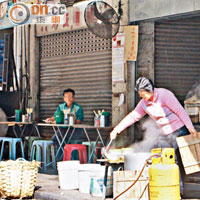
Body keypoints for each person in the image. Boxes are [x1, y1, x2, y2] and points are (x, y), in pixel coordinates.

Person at [110, 77, 198, 196]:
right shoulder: (144, 103)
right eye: (140, 94)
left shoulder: (164, 95)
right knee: (162, 160)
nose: (142, 97)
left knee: (174, 161)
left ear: (150, 90)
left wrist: (190, 128)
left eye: (143, 94)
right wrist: (116, 130)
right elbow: (133, 116)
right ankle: (164, 188)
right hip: (163, 133)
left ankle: (178, 192)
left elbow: (180, 111)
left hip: (178, 130)